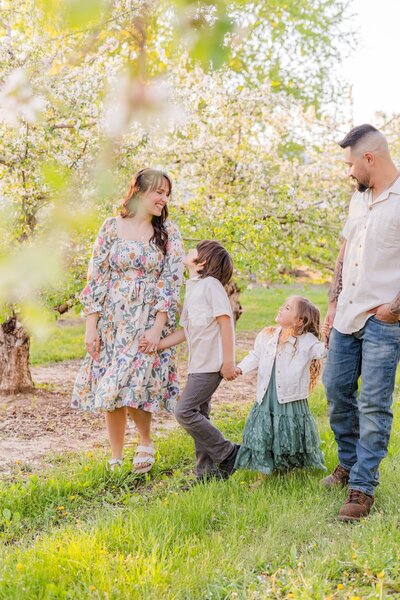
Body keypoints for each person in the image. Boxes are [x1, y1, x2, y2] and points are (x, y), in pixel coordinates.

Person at [72, 168, 185, 473]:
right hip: (113, 320)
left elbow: (171, 282)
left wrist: (158, 327)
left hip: (147, 319)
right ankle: (116, 457)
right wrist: (91, 326)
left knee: (135, 381)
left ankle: (146, 441)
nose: (164, 199)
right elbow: (95, 277)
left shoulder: (168, 233)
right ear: (138, 192)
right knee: (110, 385)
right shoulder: (111, 228)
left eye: (167, 194)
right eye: (158, 192)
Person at [322, 124, 400, 521]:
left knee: (373, 403)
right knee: (336, 392)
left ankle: (362, 487)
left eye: (350, 164)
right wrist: (333, 302)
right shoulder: (359, 200)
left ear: (369, 158)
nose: (348, 172)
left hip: (384, 320)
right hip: (346, 314)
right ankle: (349, 461)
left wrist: (394, 309)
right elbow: (345, 250)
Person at [140, 240, 240, 482]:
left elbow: (226, 323)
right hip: (198, 365)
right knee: (200, 415)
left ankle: (230, 452)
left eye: (194, 249)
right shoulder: (194, 287)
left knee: (184, 412)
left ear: (201, 262)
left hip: (212, 365)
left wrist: (228, 361)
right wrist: (158, 344)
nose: (189, 250)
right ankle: (207, 475)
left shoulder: (211, 286)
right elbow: (187, 330)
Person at [234, 296, 326, 475]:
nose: (281, 309)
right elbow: (255, 356)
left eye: (287, 308)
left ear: (299, 321)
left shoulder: (307, 341)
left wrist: (331, 336)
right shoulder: (267, 334)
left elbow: (323, 351)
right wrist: (239, 369)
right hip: (267, 395)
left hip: (289, 398)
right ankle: (266, 468)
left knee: (288, 431)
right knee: (266, 431)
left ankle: (287, 468)